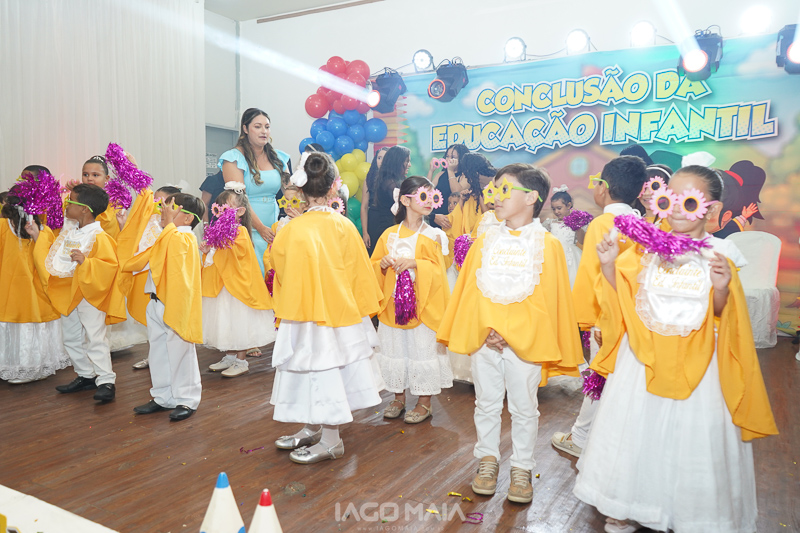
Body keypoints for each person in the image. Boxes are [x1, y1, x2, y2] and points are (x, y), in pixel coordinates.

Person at [574, 165, 778, 533]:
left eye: (690, 201)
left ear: (711, 209)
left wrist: (721, 288)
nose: (679, 210)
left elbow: (723, 316)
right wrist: (608, 266)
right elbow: (627, 297)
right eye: (670, 200)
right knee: (635, 432)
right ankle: (624, 502)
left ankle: (687, 512)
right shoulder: (645, 248)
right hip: (643, 358)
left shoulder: (720, 252)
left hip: (698, 364)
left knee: (689, 438)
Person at [437, 164, 583, 504]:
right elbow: (472, 291)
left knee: (524, 407)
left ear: (531, 198)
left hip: (525, 343)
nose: (496, 197)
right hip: (485, 338)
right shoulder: (485, 241)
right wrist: (487, 327)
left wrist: (511, 332)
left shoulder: (547, 245)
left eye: (505, 190)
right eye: (495, 190)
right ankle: (487, 459)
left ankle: (522, 467)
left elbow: (548, 300)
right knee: (486, 402)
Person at [269, 151, 384, 464]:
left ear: (301, 189)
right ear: (334, 185)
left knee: (318, 371)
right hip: (340, 313)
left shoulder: (291, 229)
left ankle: (332, 441)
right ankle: (314, 426)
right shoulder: (344, 226)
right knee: (323, 371)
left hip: (304, 314)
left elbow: (280, 270)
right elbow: (360, 272)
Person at [551, 156, 648, 457]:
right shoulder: (641, 223)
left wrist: (590, 321)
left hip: (606, 317)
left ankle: (581, 437)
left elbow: (593, 275)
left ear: (603, 187)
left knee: (599, 377)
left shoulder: (602, 223)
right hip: (633, 316)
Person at [28, 184, 126, 402]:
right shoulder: (69, 233)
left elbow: (110, 266)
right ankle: (85, 374)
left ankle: (106, 381)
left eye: (70, 201)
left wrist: (87, 262)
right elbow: (55, 258)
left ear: (84, 209)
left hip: (89, 294)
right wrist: (37, 236)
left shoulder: (100, 237)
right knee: (71, 337)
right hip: (69, 292)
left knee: (95, 337)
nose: (66, 204)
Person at [371, 176, 452, 423]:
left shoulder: (434, 235)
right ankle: (398, 397)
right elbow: (373, 265)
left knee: (421, 350)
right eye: (422, 196)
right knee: (396, 348)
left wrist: (416, 263)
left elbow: (439, 271)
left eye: (432, 197)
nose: (429, 202)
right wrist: (382, 264)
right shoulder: (389, 235)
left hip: (422, 305)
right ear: (406, 200)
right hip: (394, 305)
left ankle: (424, 402)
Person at [125, 193, 205, 421]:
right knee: (158, 351)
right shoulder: (166, 235)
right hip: (156, 301)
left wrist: (168, 223)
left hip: (175, 303)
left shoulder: (186, 237)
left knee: (181, 352)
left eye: (171, 208)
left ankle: (187, 399)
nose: (163, 212)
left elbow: (175, 252)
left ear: (188, 218)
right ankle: (163, 396)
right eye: (164, 208)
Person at [203, 184, 274, 378]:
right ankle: (230, 356)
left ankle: (241, 360)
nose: (223, 211)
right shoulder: (216, 230)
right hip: (223, 286)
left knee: (240, 321)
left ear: (240, 211)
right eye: (220, 207)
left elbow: (235, 255)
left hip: (238, 287)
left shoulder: (240, 232)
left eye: (228, 207)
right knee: (227, 321)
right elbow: (216, 258)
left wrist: (218, 247)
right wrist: (208, 250)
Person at [0, 186, 69, 383]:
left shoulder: (44, 231)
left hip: (36, 291)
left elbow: (50, 259)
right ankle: (11, 365)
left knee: (32, 325)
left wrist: (37, 235)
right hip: (9, 289)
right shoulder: (3, 227)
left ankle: (33, 366)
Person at [219, 108, 291, 274]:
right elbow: (237, 200)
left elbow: (291, 191)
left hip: (274, 228)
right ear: (245, 129)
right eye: (258, 127)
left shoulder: (278, 157)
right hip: (247, 229)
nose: (264, 131)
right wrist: (260, 228)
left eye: (267, 127)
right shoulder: (233, 158)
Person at [123, 185, 182, 370]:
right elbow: (137, 244)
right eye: (154, 200)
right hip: (150, 279)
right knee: (154, 322)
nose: (155, 204)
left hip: (167, 283)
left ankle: (172, 359)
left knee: (169, 324)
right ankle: (154, 356)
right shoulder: (151, 221)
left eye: (160, 201)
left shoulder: (175, 228)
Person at [365, 146, 409, 256]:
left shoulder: (394, 180)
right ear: (398, 162)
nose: (409, 164)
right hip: (384, 228)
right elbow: (407, 205)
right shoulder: (390, 183)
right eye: (407, 161)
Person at [542, 186, 585, 287]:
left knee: (571, 279)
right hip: (554, 254)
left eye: (559, 208)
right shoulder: (550, 223)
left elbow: (582, 241)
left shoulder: (576, 223)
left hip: (570, 256)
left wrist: (577, 227)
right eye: (553, 209)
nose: (556, 212)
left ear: (568, 205)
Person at [428, 143, 470, 230]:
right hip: (436, 220)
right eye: (447, 156)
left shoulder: (466, 176)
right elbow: (427, 191)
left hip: (452, 223)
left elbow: (456, 192)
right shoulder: (441, 174)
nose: (449, 159)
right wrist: (431, 171)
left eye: (453, 157)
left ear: (461, 159)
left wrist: (450, 170)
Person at [360, 146, 388, 250]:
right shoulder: (369, 179)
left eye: (385, 158)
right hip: (374, 221)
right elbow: (364, 207)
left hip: (389, 221)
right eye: (379, 158)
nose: (381, 161)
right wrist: (365, 233)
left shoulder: (395, 180)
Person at [635, 164, 673, 231]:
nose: (646, 193)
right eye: (642, 188)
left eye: (655, 187)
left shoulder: (673, 223)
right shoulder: (633, 222)